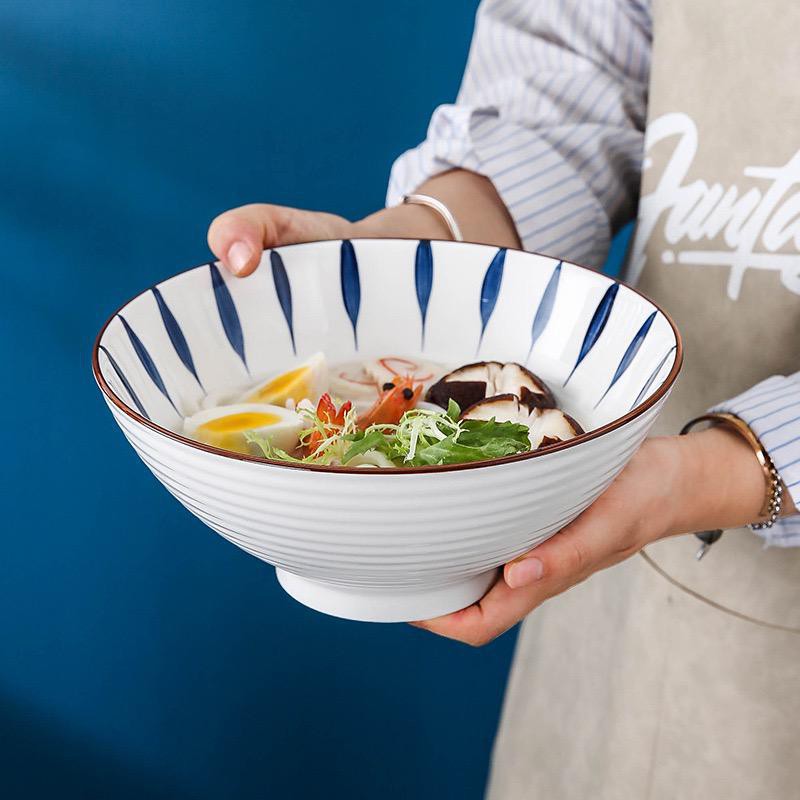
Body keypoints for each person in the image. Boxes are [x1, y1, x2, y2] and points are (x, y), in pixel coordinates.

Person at [207, 1, 800, 797]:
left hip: (649, 506)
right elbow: (568, 84)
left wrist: (708, 476)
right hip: (620, 562)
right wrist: (408, 258)